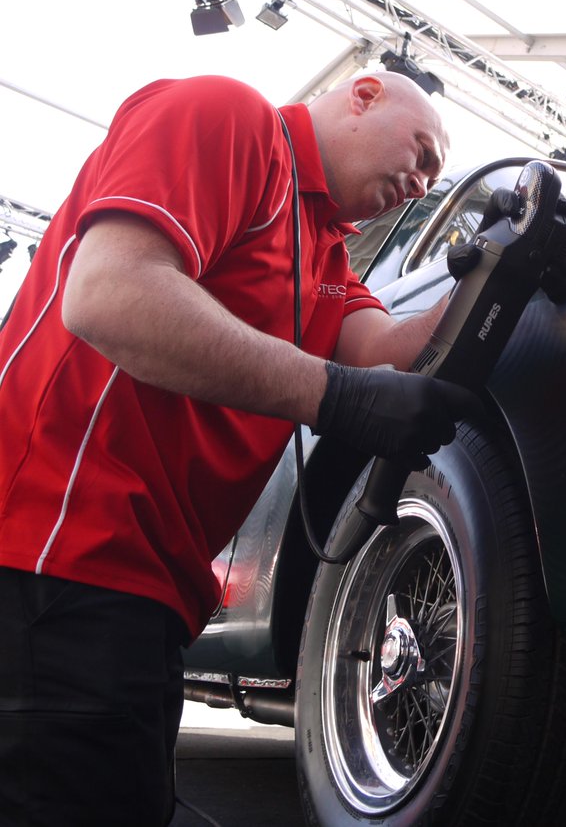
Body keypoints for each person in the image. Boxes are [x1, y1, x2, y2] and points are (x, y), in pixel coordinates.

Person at [0, 71, 481, 826]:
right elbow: (108, 294)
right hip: (51, 552)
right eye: (422, 151)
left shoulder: (327, 263)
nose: (422, 182)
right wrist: (336, 398)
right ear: (362, 96)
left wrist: (498, 273)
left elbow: (391, 350)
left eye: (434, 177)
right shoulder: (230, 119)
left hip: (146, 590)